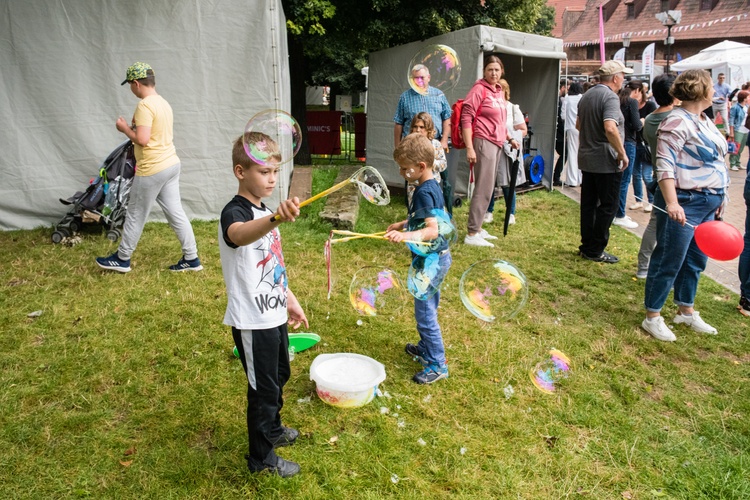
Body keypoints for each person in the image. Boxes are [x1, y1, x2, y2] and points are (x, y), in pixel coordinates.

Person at [219, 133, 309, 477]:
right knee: (262, 390)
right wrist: (274, 219)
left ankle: (273, 429)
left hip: (273, 312)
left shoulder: (265, 210)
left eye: (275, 171)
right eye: (263, 172)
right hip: (251, 320)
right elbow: (239, 235)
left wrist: (290, 300)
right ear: (240, 172)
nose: (271, 179)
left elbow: (273, 265)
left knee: (280, 375)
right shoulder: (236, 212)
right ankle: (261, 461)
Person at [641, 69, 729, 342]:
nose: (715, 90)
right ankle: (652, 316)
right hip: (686, 202)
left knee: (695, 260)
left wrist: (721, 199)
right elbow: (664, 166)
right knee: (670, 259)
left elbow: (716, 162)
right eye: (711, 86)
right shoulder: (676, 121)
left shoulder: (703, 119)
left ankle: (685, 310)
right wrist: (672, 202)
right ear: (700, 90)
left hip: (707, 202)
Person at [96, 62, 201, 273]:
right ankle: (191, 258)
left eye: (130, 86)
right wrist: (134, 126)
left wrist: (125, 128)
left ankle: (122, 259)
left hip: (152, 168)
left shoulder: (144, 105)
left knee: (135, 213)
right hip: (171, 164)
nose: (131, 90)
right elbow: (153, 134)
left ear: (136, 83)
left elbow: (142, 140)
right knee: (176, 212)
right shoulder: (163, 103)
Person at [385, 133, 452, 384]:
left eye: (404, 169)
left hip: (431, 261)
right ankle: (426, 348)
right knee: (428, 306)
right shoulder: (432, 184)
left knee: (425, 313)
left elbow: (432, 230)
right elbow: (430, 216)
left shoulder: (423, 192)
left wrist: (404, 236)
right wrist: (403, 223)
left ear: (420, 166)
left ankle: (437, 363)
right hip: (436, 258)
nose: (402, 173)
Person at [576, 60, 632, 264]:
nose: (623, 80)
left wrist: (592, 138)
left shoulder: (587, 95)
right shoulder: (609, 97)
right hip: (606, 160)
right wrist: (621, 152)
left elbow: (578, 125)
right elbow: (610, 127)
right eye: (623, 76)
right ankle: (596, 249)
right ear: (616, 78)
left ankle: (587, 246)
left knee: (589, 204)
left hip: (588, 157)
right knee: (608, 205)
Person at [460, 55, 519, 247]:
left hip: (497, 143)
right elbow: (466, 118)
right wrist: (470, 147)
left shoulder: (499, 91)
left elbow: (500, 121)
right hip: (482, 141)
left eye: (497, 69)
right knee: (483, 187)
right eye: (490, 70)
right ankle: (471, 232)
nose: (493, 73)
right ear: (484, 72)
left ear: (502, 71)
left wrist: (509, 138)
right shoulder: (479, 90)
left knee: (489, 187)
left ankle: (477, 228)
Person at [636, 73, 677, 279]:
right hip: (672, 180)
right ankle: (654, 269)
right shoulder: (673, 119)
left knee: (654, 224)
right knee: (665, 228)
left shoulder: (651, 119)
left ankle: (644, 266)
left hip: (658, 174)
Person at [485, 78, 527, 224]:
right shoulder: (489, 107)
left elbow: (523, 130)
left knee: (507, 183)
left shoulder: (512, 108)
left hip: (506, 149)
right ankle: (488, 211)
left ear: (505, 91)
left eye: (500, 89)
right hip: (491, 147)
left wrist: (510, 138)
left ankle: (511, 213)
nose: (497, 92)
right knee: (488, 181)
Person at [393, 64, 451, 150]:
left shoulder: (439, 95)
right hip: (411, 144)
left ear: (428, 77)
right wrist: (398, 147)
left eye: (421, 77)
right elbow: (398, 123)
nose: (419, 81)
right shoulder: (405, 97)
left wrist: (444, 140)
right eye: (416, 78)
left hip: (434, 144)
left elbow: (447, 118)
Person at [612, 80, 643, 230]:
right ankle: (620, 214)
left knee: (617, 179)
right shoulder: (632, 102)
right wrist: (642, 121)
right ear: (637, 91)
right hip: (629, 141)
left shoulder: (616, 99)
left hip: (616, 140)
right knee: (624, 181)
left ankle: (616, 212)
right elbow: (637, 125)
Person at [407, 112, 447, 204]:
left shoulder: (435, 144)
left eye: (421, 127)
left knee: (432, 211)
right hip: (414, 185)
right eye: (415, 127)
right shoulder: (409, 144)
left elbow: (443, 165)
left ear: (428, 129)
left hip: (432, 184)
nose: (418, 130)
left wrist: (430, 162)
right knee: (416, 211)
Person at [630, 81, 657, 212]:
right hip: (634, 143)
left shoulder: (650, 105)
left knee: (647, 175)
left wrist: (643, 122)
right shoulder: (630, 104)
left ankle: (652, 201)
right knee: (635, 174)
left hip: (646, 145)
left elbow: (652, 122)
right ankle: (638, 200)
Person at [561, 81, 584, 187]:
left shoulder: (567, 98)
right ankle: (581, 179)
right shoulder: (583, 98)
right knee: (581, 153)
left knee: (572, 153)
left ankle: (572, 180)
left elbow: (563, 115)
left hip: (571, 127)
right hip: (582, 127)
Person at [728, 90, 749, 171]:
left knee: (741, 148)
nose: (748, 98)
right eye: (747, 97)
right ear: (744, 98)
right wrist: (731, 132)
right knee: (735, 147)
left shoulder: (746, 106)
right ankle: (732, 163)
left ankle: (737, 162)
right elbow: (731, 120)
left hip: (746, 130)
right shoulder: (735, 107)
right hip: (738, 129)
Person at [553, 79, 569, 186]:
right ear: (563, 88)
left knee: (564, 153)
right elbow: (558, 118)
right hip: (558, 133)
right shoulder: (558, 99)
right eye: (566, 89)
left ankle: (556, 175)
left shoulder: (558, 99)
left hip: (558, 132)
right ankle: (556, 176)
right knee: (565, 153)